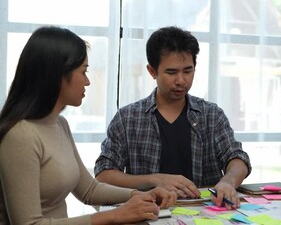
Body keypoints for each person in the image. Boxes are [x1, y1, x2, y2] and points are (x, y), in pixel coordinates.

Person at [0, 26, 176, 225]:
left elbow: (89, 189)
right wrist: (113, 216)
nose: (88, 81)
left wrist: (141, 195)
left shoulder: (59, 124)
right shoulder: (20, 135)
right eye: (83, 72)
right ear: (58, 75)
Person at [94, 26, 251, 208]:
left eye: (187, 71)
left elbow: (237, 158)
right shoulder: (128, 118)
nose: (181, 80)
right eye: (171, 72)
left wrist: (228, 182)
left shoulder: (211, 115)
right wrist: (154, 180)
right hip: (151, 213)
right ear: (152, 71)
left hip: (204, 214)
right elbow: (103, 174)